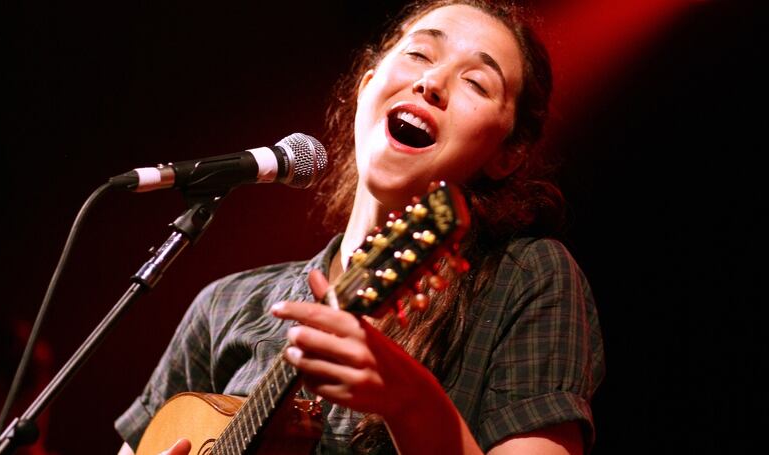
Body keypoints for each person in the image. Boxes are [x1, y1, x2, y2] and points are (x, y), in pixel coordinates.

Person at [115, 1, 605, 454]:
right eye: (418, 54)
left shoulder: (527, 278)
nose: (431, 82)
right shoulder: (225, 305)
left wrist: (411, 401)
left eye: (476, 83)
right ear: (366, 85)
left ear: (508, 155)